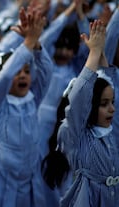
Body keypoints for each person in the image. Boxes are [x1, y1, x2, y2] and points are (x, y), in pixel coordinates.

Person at [0, 7, 52, 207]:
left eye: (26, 71)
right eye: (18, 72)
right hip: (1, 174)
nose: (23, 75)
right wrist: (27, 44)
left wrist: (36, 45)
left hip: (30, 174)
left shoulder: (33, 98)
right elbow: (5, 76)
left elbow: (46, 71)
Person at [57, 19, 119, 207]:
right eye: (104, 104)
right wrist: (93, 53)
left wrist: (100, 51)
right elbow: (79, 99)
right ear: (89, 108)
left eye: (113, 102)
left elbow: (110, 80)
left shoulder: (111, 130)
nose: (112, 109)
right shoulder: (75, 134)